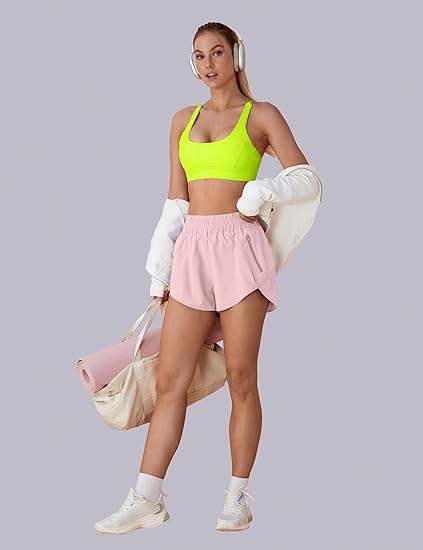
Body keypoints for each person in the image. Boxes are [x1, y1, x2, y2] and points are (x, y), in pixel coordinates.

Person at [95, 21, 312, 534]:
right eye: (198, 55)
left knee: (241, 376)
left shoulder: (262, 115)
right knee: (169, 379)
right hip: (192, 251)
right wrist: (160, 268)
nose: (208, 63)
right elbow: (176, 198)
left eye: (217, 52)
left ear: (236, 55)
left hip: (241, 249)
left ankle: (237, 497)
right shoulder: (181, 120)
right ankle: (147, 497)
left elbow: (306, 177)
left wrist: (265, 192)